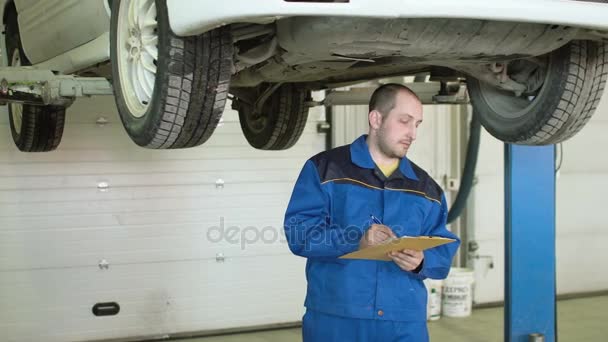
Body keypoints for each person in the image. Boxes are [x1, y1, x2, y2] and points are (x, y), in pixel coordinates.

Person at [283, 83, 461, 341]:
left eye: (417, 124)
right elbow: (299, 233)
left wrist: (423, 261)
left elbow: (443, 248)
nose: (412, 133)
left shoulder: (426, 188)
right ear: (376, 119)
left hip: (402, 322)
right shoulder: (325, 170)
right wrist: (356, 241)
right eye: (404, 121)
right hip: (337, 319)